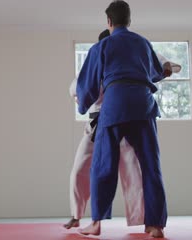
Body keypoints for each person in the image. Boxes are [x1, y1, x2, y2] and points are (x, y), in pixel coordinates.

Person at [66, 30, 181, 231]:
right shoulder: (100, 56)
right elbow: (76, 89)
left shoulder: (134, 50)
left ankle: (144, 221)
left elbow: (163, 65)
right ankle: (78, 216)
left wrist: (166, 67)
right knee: (81, 171)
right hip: (101, 122)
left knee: (132, 174)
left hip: (121, 115)